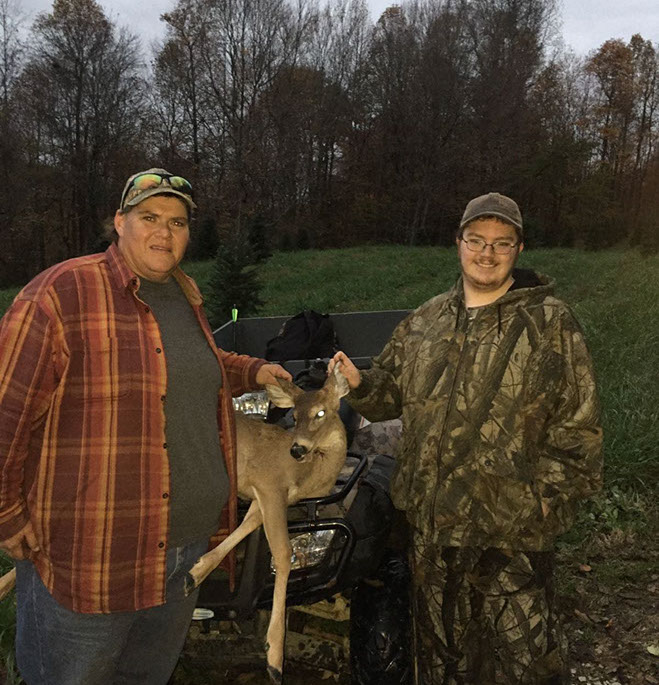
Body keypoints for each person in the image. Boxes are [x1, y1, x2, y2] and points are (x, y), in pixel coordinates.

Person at [0, 168, 291, 684]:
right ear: (120, 222)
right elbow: (6, 411)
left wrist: (251, 370)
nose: (164, 232)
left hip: (184, 552)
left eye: (177, 222)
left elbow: (179, 363)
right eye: (150, 217)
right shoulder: (61, 293)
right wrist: (6, 514)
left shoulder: (181, 293)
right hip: (92, 558)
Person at [330, 192, 603, 684]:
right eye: (476, 240)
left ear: (519, 249)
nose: (487, 253)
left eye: (502, 243)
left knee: (524, 666)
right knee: (442, 665)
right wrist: (360, 383)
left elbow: (579, 430)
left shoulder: (551, 323)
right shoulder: (426, 320)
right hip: (434, 535)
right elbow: (390, 397)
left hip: (512, 538)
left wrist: (538, 504)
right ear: (458, 243)